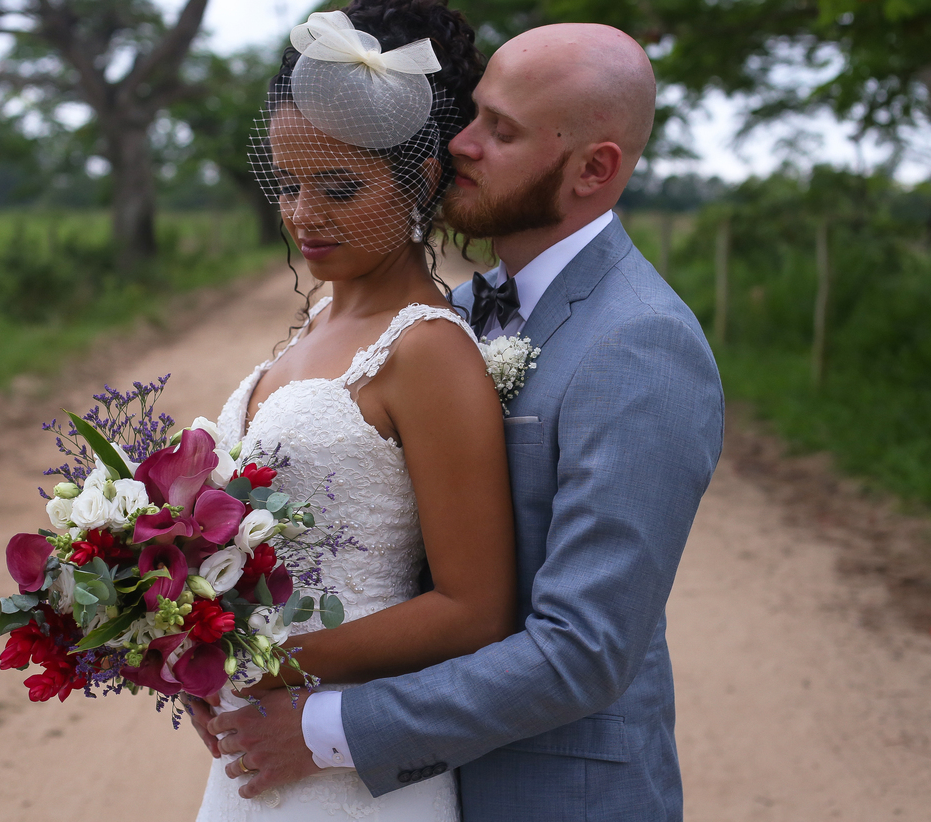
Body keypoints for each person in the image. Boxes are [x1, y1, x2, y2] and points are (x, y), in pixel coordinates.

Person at [203, 18, 726, 822]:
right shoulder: (463, 310)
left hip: (553, 795)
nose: (459, 144)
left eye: (500, 131)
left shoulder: (640, 344)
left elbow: (583, 652)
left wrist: (316, 721)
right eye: (474, 113)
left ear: (595, 167)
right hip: (423, 781)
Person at [191, 2, 517, 820]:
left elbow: (474, 609)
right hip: (254, 753)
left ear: (422, 178)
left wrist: (263, 661)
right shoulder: (315, 325)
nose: (303, 212)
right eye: (289, 182)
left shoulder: (427, 350)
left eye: (339, 187)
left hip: (347, 768)